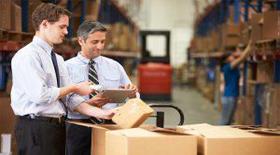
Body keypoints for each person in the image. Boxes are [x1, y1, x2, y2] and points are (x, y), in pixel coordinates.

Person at [11, 3, 115, 155]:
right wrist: (75, 87)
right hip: (35, 129)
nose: (66, 31)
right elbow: (41, 95)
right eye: (62, 27)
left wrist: (104, 114)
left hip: (56, 128)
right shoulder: (27, 56)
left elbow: (70, 99)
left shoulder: (57, 59)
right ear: (45, 24)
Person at [65, 21, 138, 155]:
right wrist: (88, 104)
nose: (100, 46)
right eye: (95, 42)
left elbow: (135, 99)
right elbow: (62, 101)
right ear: (81, 41)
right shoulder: (66, 68)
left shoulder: (115, 66)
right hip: (79, 127)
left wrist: (132, 93)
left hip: (111, 125)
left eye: (103, 41)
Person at [220, 41, 253, 125]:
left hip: (232, 96)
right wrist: (250, 45)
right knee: (225, 122)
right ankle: (217, 137)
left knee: (229, 122)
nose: (233, 56)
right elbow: (242, 58)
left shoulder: (233, 67)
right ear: (227, 59)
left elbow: (241, 59)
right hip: (229, 97)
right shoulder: (228, 67)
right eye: (231, 56)